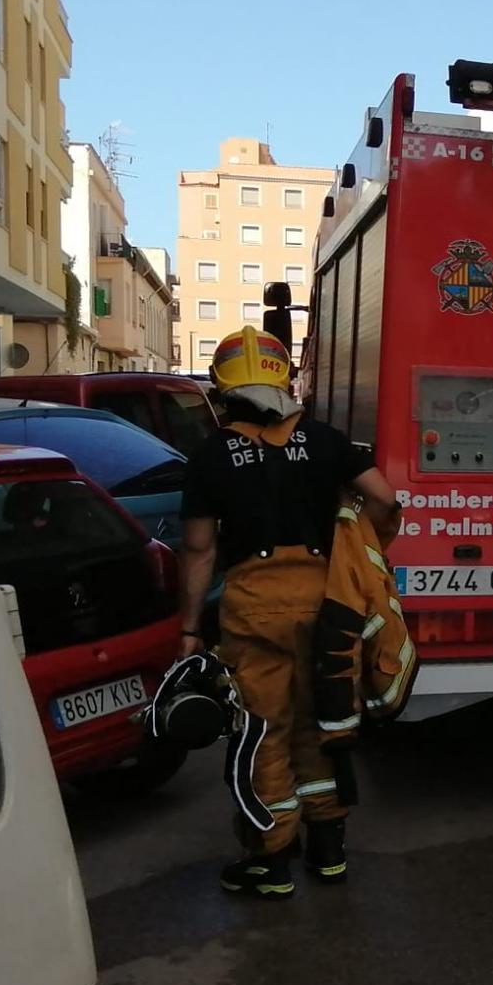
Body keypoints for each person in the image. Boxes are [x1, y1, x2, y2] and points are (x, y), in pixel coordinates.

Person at [177, 327, 401, 897]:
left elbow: (200, 548)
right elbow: (385, 499)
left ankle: (271, 860)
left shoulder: (209, 455)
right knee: (321, 723)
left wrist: (187, 631)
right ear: (285, 380)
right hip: (327, 606)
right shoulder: (327, 441)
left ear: (222, 390)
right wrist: (366, 547)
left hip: (252, 611)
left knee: (262, 731)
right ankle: (328, 852)